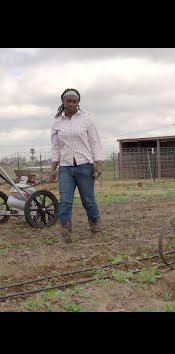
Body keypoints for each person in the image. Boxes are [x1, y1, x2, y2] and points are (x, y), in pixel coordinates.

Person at [50, 88, 103, 243]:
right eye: (68, 101)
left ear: (78, 103)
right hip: (65, 168)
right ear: (63, 102)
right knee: (65, 201)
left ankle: (96, 228)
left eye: (75, 101)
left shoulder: (87, 120)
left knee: (88, 200)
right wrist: (53, 169)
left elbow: (95, 143)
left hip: (85, 166)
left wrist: (98, 164)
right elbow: (55, 147)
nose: (71, 104)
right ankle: (65, 235)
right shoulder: (57, 123)